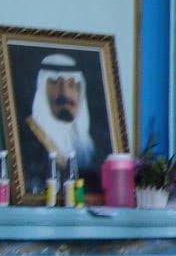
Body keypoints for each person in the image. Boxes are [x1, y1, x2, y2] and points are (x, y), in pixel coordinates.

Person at [20, 51, 110, 190]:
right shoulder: (28, 142)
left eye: (72, 84)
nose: (65, 94)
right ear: (42, 89)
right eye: (56, 83)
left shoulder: (96, 144)